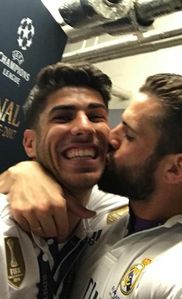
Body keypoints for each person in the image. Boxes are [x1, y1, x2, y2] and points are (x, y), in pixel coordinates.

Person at [1, 73, 182, 298]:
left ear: (174, 169)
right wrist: (26, 171)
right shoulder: (106, 211)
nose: (110, 138)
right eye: (119, 123)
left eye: (129, 135)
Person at [0, 62, 128, 298]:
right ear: (30, 144)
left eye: (95, 116)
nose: (84, 127)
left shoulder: (116, 209)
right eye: (63, 117)